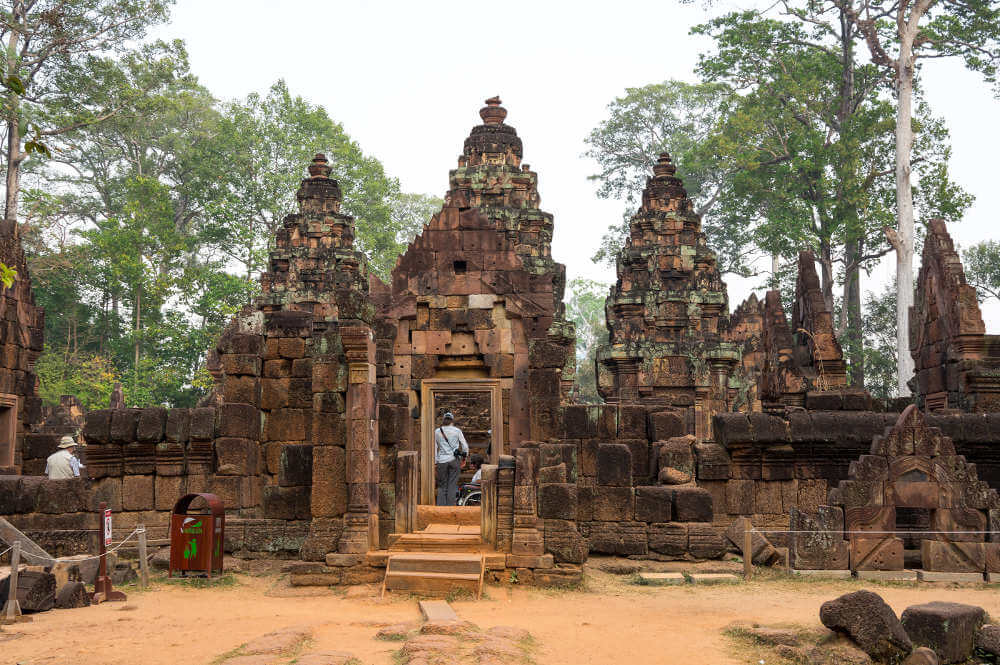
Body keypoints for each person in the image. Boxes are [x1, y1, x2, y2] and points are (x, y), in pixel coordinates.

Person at [434, 412, 468, 506]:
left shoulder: (437, 431)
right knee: (452, 484)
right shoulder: (457, 431)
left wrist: (435, 462)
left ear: (443, 420)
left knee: (442, 486)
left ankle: (441, 508)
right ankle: (450, 507)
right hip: (454, 459)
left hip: (441, 460)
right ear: (452, 421)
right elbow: (464, 446)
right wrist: (464, 458)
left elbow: (434, 447)